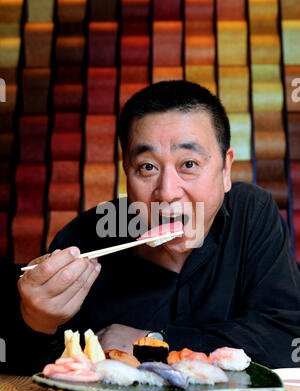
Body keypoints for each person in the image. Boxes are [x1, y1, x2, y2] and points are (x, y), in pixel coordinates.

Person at [3, 80, 300, 374]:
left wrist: (155, 342)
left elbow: (287, 340)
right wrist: (37, 321)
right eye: (148, 167)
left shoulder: (251, 214)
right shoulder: (84, 240)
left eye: (189, 164)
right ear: (126, 173)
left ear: (226, 170)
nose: (167, 191)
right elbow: (43, 372)